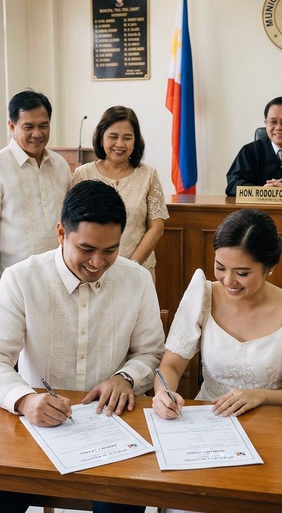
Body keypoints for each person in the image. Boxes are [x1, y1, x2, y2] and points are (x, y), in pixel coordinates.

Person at [0, 180, 165, 513]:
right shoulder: (20, 279)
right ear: (61, 233)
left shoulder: (137, 279)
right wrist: (25, 400)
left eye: (110, 250)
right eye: (87, 249)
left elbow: (151, 353)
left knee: (122, 507)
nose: (97, 262)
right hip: (36, 426)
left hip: (112, 426)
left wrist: (126, 378)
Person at [152, 208, 282, 421]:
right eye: (220, 267)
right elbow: (170, 366)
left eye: (242, 273)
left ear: (269, 267)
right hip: (208, 420)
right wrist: (163, 394)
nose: (228, 281)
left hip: (270, 423)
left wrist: (259, 396)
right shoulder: (203, 295)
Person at [72, 106, 169, 282]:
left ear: (135, 142)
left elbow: (156, 227)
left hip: (138, 270)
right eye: (113, 136)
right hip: (92, 269)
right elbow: (74, 225)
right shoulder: (82, 174)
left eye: (127, 138)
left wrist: (132, 266)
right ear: (101, 138)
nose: (120, 144)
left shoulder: (148, 175)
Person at [0, 90, 71, 275]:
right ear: (12, 126)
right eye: (28, 126)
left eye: (43, 126)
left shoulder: (61, 165)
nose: (37, 134)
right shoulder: (2, 166)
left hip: (59, 271)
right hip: (13, 275)